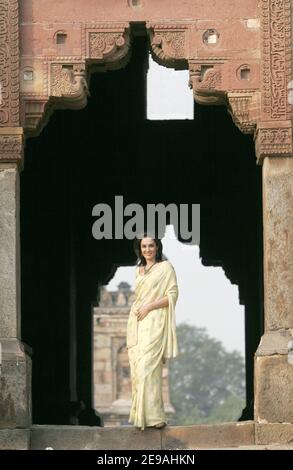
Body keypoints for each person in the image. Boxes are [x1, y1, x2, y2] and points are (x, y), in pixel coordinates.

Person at [126, 235, 179, 430]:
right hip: (137, 323)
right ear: (140, 249)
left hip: (155, 320)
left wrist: (149, 306)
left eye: (151, 245)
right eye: (144, 246)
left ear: (157, 247)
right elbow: (138, 298)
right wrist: (140, 310)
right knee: (138, 370)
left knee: (150, 368)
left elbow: (172, 295)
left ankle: (156, 417)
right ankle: (142, 417)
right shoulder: (138, 270)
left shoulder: (165, 268)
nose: (147, 249)